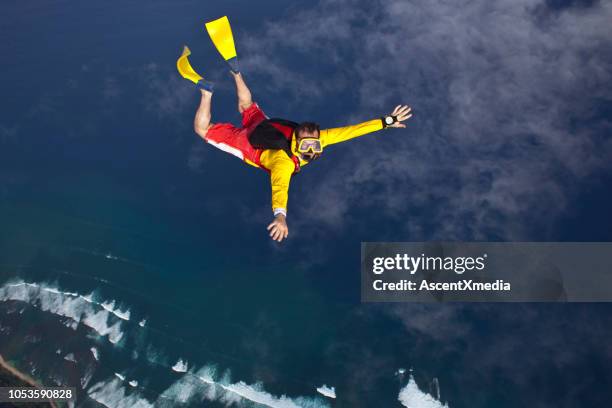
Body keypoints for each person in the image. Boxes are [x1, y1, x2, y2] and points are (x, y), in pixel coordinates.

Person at [178, 47, 412, 242]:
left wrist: (386, 121)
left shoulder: (321, 137)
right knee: (203, 130)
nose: (311, 152)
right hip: (249, 144)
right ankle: (207, 93)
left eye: (314, 146)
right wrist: (280, 217)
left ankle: (236, 73)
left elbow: (352, 131)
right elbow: (280, 189)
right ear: (298, 141)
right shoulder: (283, 164)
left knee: (247, 107)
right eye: (308, 148)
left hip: (265, 128)